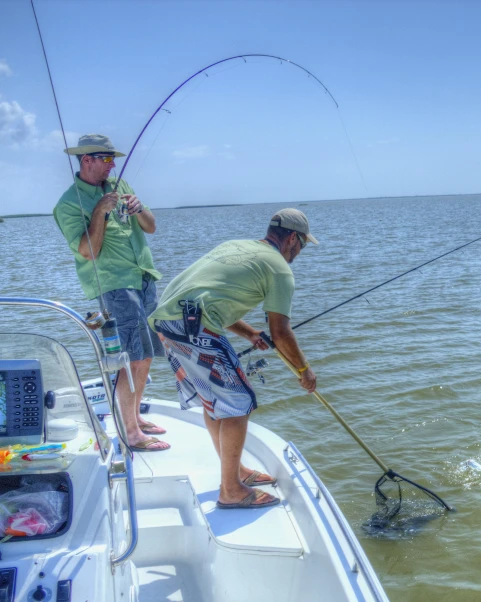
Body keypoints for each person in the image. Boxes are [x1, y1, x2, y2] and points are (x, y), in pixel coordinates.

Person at [148, 208, 318, 509]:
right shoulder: (279, 268)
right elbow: (280, 332)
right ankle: (231, 490)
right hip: (193, 328)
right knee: (239, 401)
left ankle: (236, 472)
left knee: (215, 401)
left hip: (168, 323)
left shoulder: (234, 246)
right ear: (292, 238)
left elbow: (208, 298)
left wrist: (251, 333)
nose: (299, 252)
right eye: (302, 245)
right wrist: (303, 370)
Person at [53, 134, 169, 452]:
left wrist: (138, 207)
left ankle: (135, 417)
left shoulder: (121, 184)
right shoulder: (67, 204)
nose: (112, 165)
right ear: (86, 160)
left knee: (146, 356)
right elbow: (87, 251)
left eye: (113, 159)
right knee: (131, 357)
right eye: (106, 159)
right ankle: (130, 433)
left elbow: (151, 226)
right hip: (114, 284)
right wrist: (99, 213)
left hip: (144, 276)